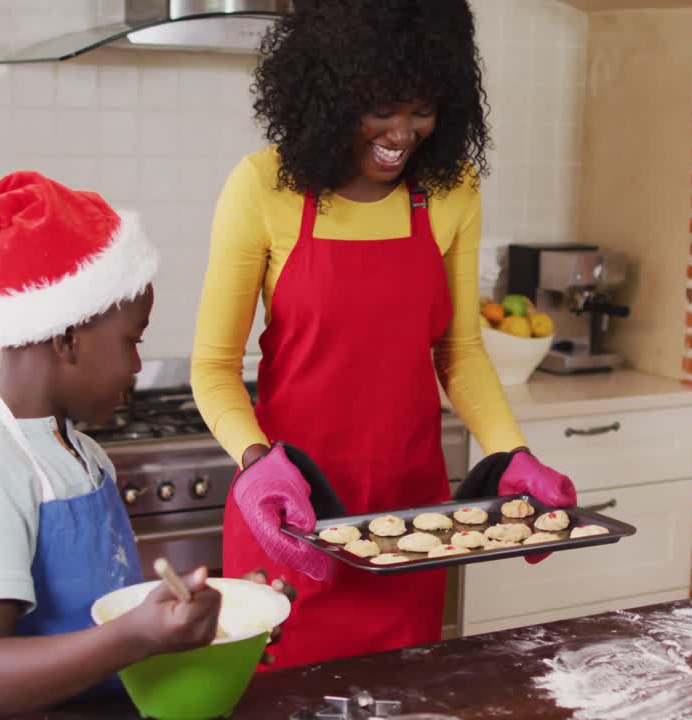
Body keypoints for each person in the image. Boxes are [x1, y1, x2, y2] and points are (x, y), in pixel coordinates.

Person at [191, 0, 576, 669]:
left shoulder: (451, 190)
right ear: (331, 92)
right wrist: (256, 463)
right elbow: (214, 367)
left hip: (410, 528)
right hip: (290, 517)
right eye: (381, 108)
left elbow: (460, 351)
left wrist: (511, 452)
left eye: (422, 110)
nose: (402, 133)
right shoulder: (263, 187)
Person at [0, 172, 288, 718]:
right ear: (66, 338)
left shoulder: (85, 456)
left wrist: (214, 614)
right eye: (131, 341)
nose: (138, 366)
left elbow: (109, 617)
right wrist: (137, 635)